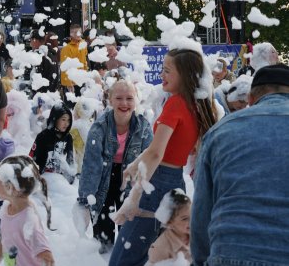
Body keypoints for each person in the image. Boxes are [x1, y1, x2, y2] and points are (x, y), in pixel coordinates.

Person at [108, 48, 216, 266]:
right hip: (175, 181)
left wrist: (134, 198)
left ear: (184, 75)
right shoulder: (196, 105)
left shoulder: (175, 103)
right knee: (159, 256)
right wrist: (134, 164)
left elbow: (157, 153)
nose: (161, 75)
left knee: (124, 259)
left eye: (167, 71)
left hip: (156, 184)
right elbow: (161, 150)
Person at [191, 63, 289, 266]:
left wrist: (201, 260)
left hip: (231, 251)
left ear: (250, 99)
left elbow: (201, 211)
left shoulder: (220, 132)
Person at [76, 80, 153, 253]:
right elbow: (91, 168)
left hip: (131, 180)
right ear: (110, 100)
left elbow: (150, 160)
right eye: (119, 98)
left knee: (130, 234)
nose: (124, 103)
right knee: (104, 233)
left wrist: (148, 194)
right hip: (104, 178)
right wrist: (85, 201)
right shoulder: (99, 128)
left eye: (129, 98)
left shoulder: (144, 126)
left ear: (136, 100)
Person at [0, 155, 54, 266]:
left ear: (12, 188)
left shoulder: (28, 220)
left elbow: (48, 258)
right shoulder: (7, 209)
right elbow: (3, 241)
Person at [29, 101, 75, 184]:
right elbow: (32, 159)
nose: (66, 123)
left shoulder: (68, 138)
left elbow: (70, 161)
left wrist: (70, 179)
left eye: (69, 120)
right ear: (55, 119)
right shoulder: (43, 136)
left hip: (61, 181)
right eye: (63, 119)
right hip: (43, 179)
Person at [147, 189, 191, 265]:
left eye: (193, 216)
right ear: (170, 222)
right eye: (185, 219)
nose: (191, 221)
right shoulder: (160, 248)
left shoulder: (196, 236)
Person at [60, 24, 88, 100]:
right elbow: (64, 67)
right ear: (70, 34)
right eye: (75, 32)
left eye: (79, 32)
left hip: (81, 80)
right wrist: (68, 84)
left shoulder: (83, 44)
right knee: (70, 106)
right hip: (71, 83)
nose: (78, 34)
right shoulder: (66, 48)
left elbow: (85, 61)